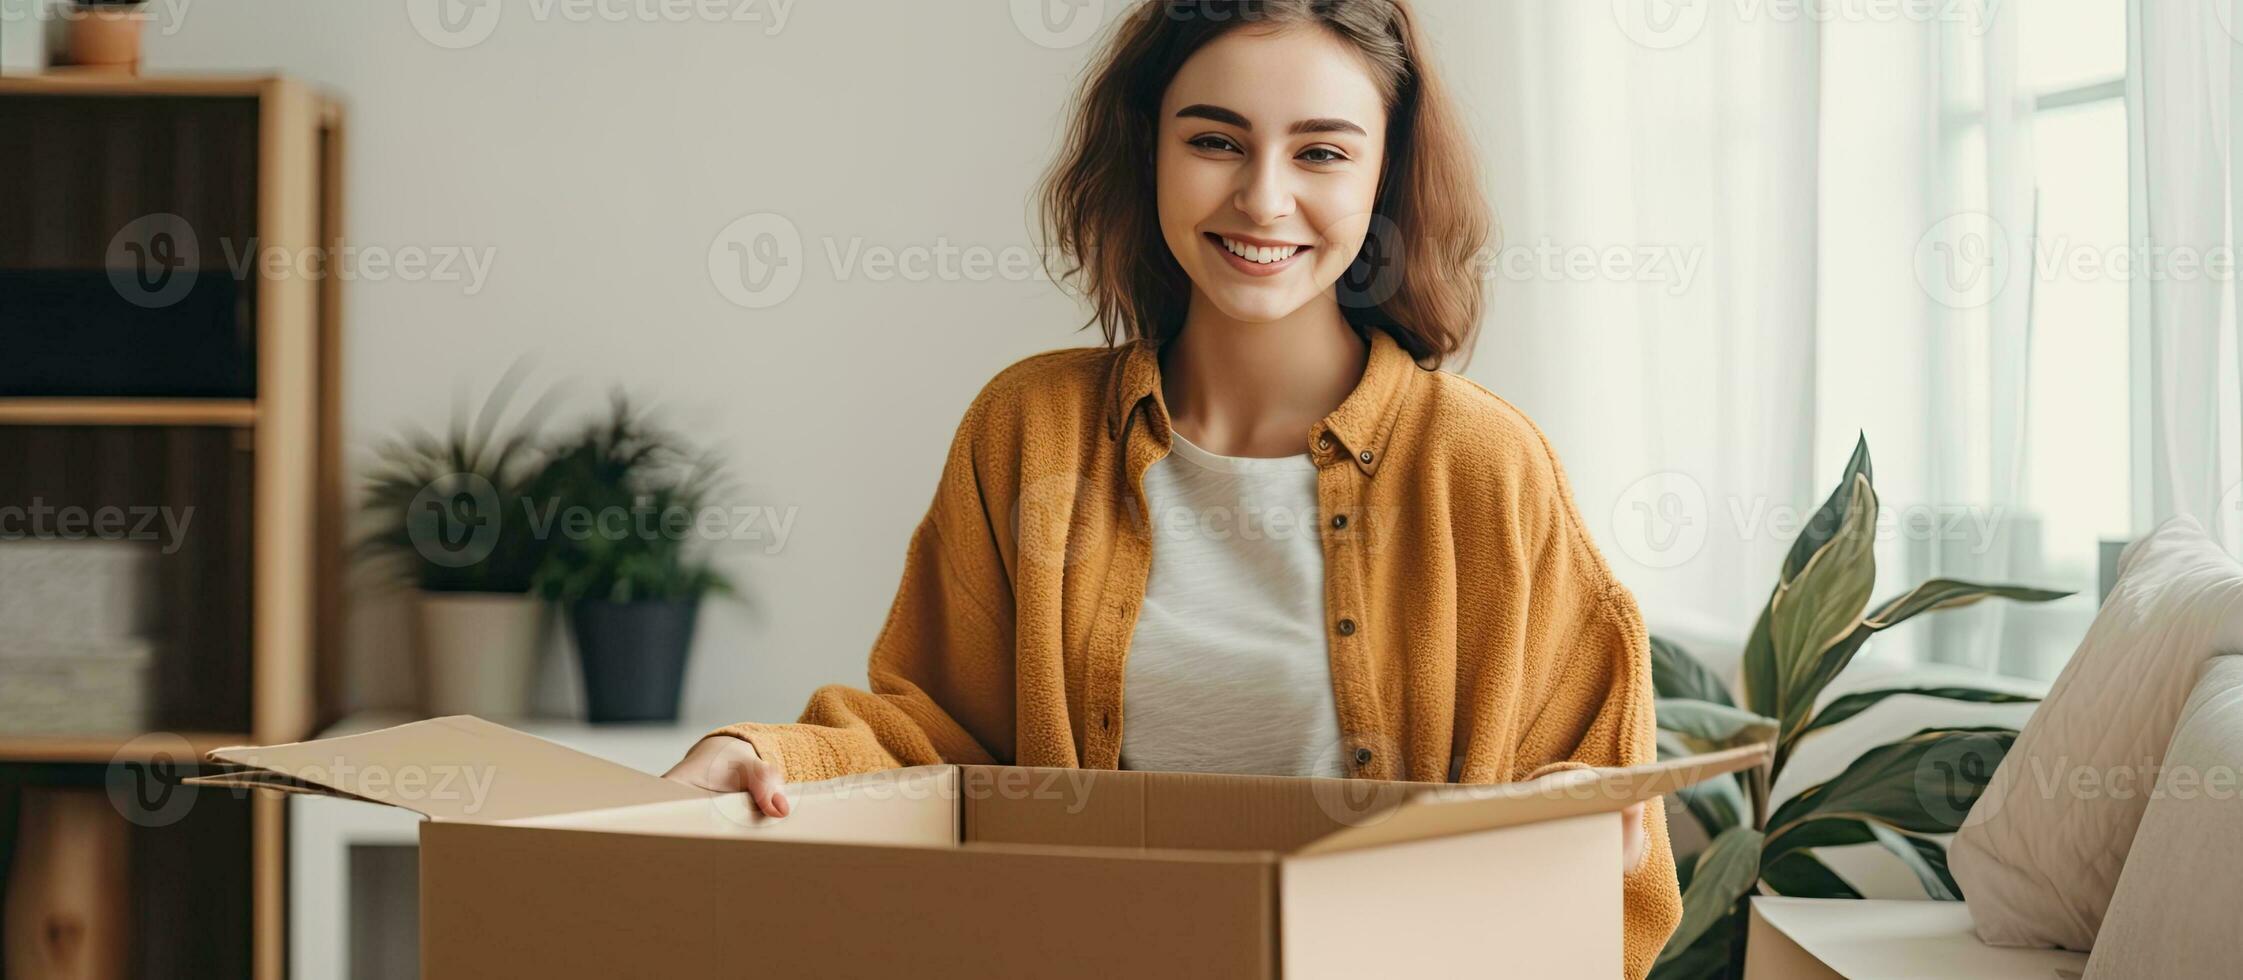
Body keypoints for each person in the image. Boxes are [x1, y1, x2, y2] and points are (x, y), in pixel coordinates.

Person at [665, 2, 1679, 975]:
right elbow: (930, 737)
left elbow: (1588, 789)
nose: (1263, 198)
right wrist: (751, 755)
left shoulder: (1483, 464)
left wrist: (1592, 819)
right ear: (1148, 146)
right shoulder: (1029, 431)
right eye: (1215, 141)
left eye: (1320, 151)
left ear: (1384, 176)